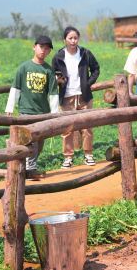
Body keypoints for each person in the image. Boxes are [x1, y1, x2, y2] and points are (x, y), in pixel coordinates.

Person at [5, 35, 59, 180]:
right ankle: (29, 170)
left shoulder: (48, 70)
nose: (43, 51)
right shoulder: (24, 68)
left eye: (47, 49)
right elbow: (15, 88)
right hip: (26, 112)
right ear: (34, 47)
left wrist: (54, 114)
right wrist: (10, 107)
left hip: (43, 113)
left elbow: (53, 93)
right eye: (41, 47)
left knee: (39, 144)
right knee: (30, 143)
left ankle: (30, 167)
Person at [51, 26, 101, 168]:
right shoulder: (59, 56)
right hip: (66, 97)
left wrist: (88, 83)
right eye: (70, 38)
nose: (73, 41)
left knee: (87, 126)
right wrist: (59, 80)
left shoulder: (85, 53)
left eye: (75, 38)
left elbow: (96, 69)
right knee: (67, 128)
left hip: (84, 95)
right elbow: (53, 72)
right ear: (65, 39)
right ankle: (68, 157)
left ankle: (88, 154)